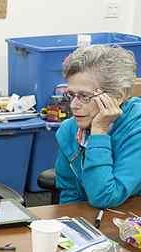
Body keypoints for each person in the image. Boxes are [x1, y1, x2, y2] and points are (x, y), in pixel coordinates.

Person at [55, 44, 141, 208]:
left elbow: (105, 197)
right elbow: (69, 194)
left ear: (118, 96)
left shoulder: (136, 129)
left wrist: (99, 132)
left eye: (85, 96)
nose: (74, 105)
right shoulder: (69, 130)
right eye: (71, 95)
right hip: (93, 220)